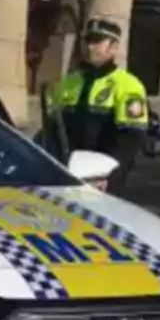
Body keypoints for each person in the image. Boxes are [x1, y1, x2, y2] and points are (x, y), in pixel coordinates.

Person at [46, 17, 149, 192]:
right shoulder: (66, 83)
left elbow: (130, 140)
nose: (90, 47)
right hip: (63, 175)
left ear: (114, 47)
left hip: (102, 180)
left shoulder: (128, 85)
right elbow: (51, 131)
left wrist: (110, 176)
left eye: (97, 41)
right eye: (87, 41)